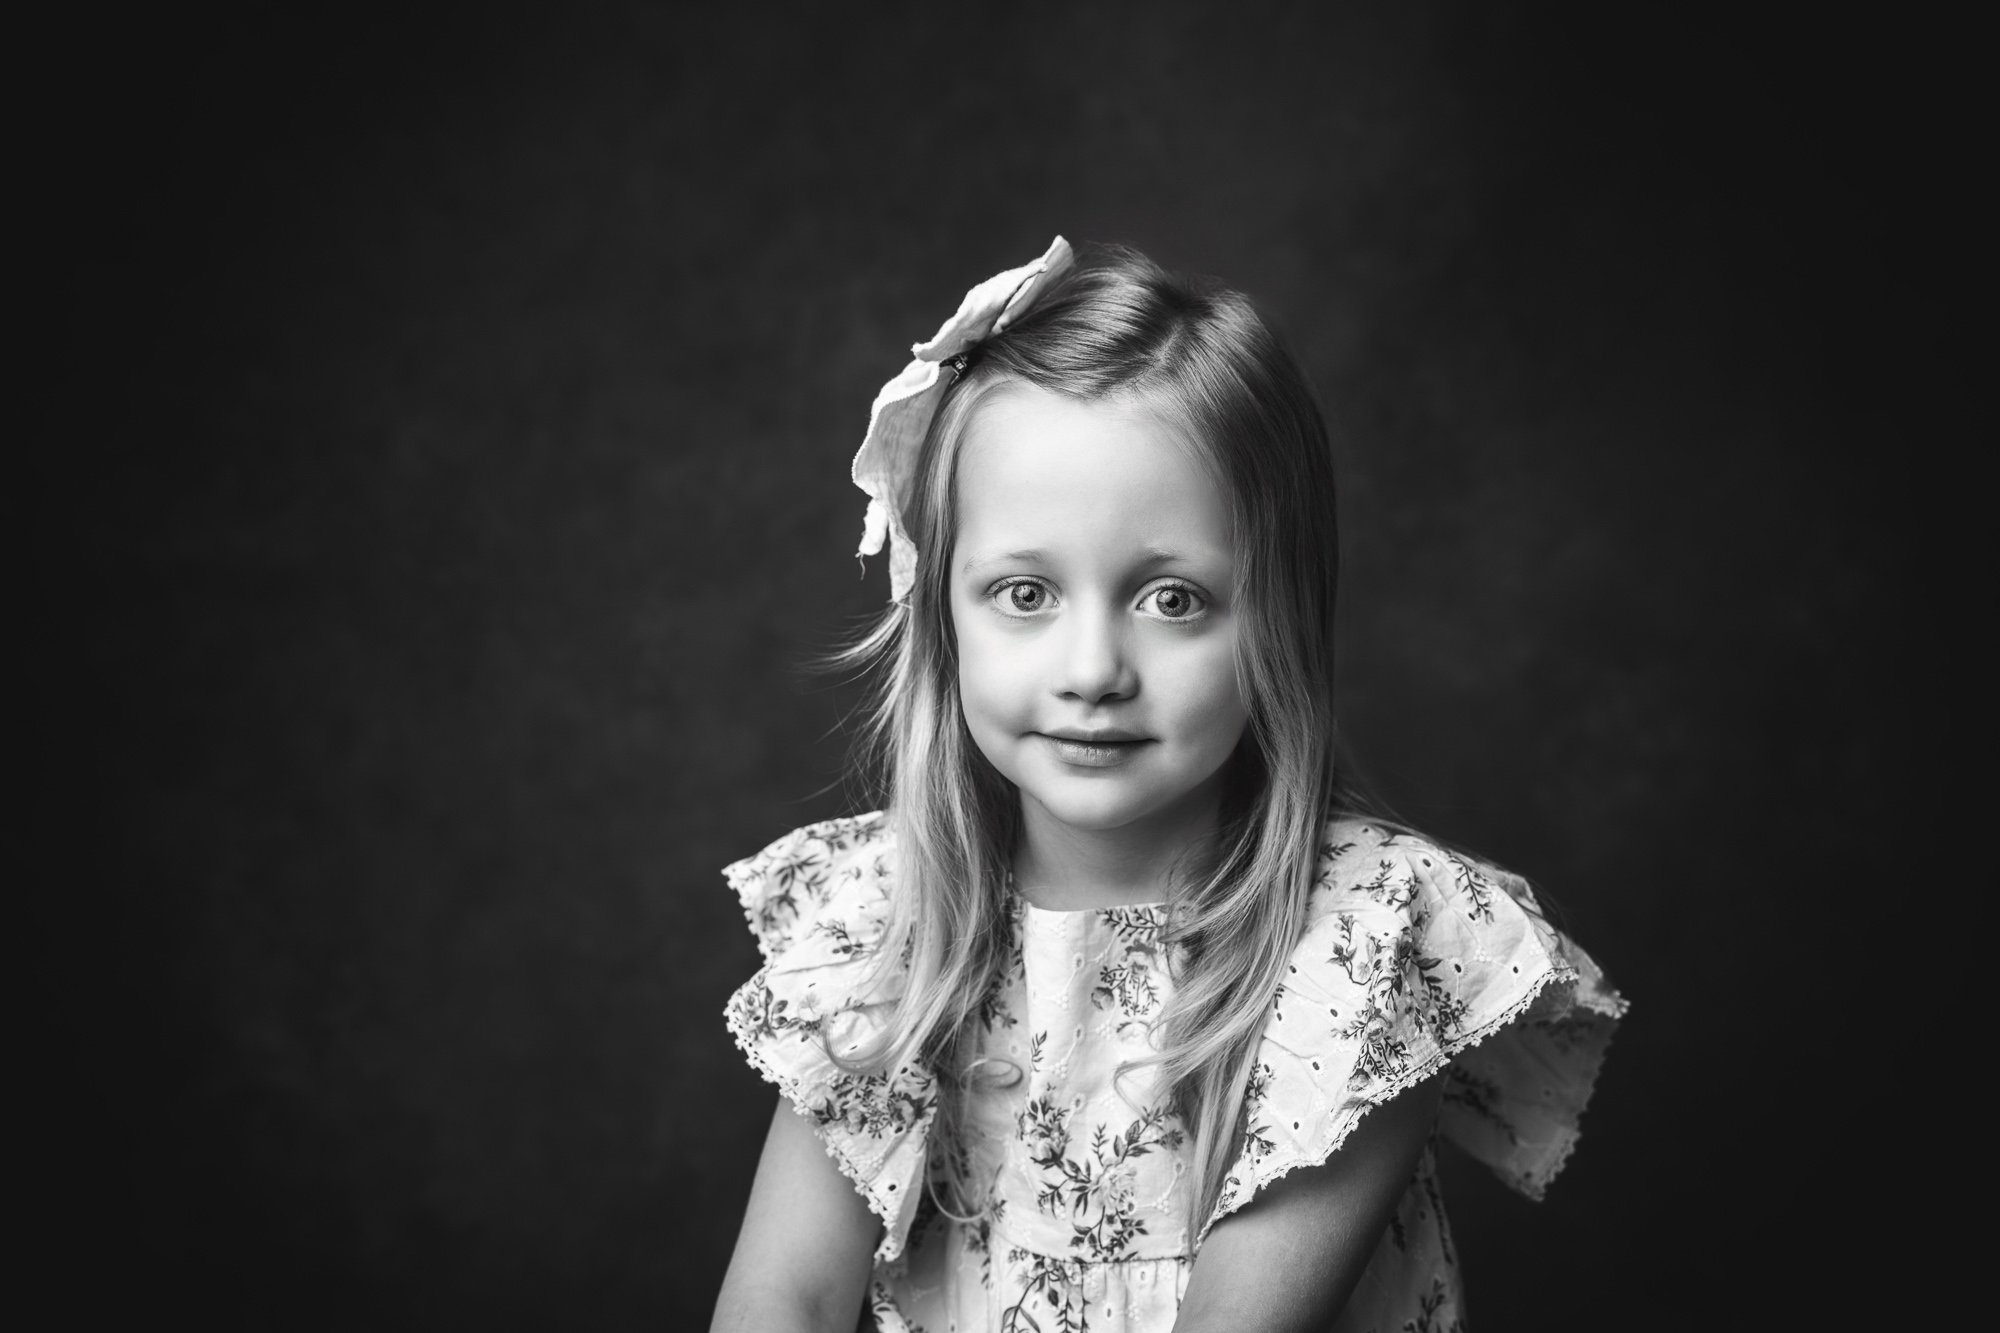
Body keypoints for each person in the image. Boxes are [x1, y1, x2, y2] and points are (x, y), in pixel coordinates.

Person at [710, 237, 1626, 1333]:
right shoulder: (884, 925)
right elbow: (784, 1298)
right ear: (942, 616)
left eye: (1172, 599)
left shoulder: (1363, 948)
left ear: (1277, 618)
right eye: (1023, 591)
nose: (1092, 670)